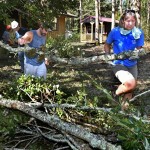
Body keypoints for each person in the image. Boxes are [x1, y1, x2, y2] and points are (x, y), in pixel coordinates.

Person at [104, 10, 144, 109]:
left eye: (133, 21)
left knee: (129, 90)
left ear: (135, 21)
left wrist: (137, 52)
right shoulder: (115, 32)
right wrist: (108, 55)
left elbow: (139, 48)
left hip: (132, 64)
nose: (130, 23)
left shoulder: (138, 33)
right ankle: (115, 93)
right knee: (131, 83)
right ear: (122, 21)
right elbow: (107, 44)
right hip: (118, 63)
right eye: (128, 21)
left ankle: (122, 113)